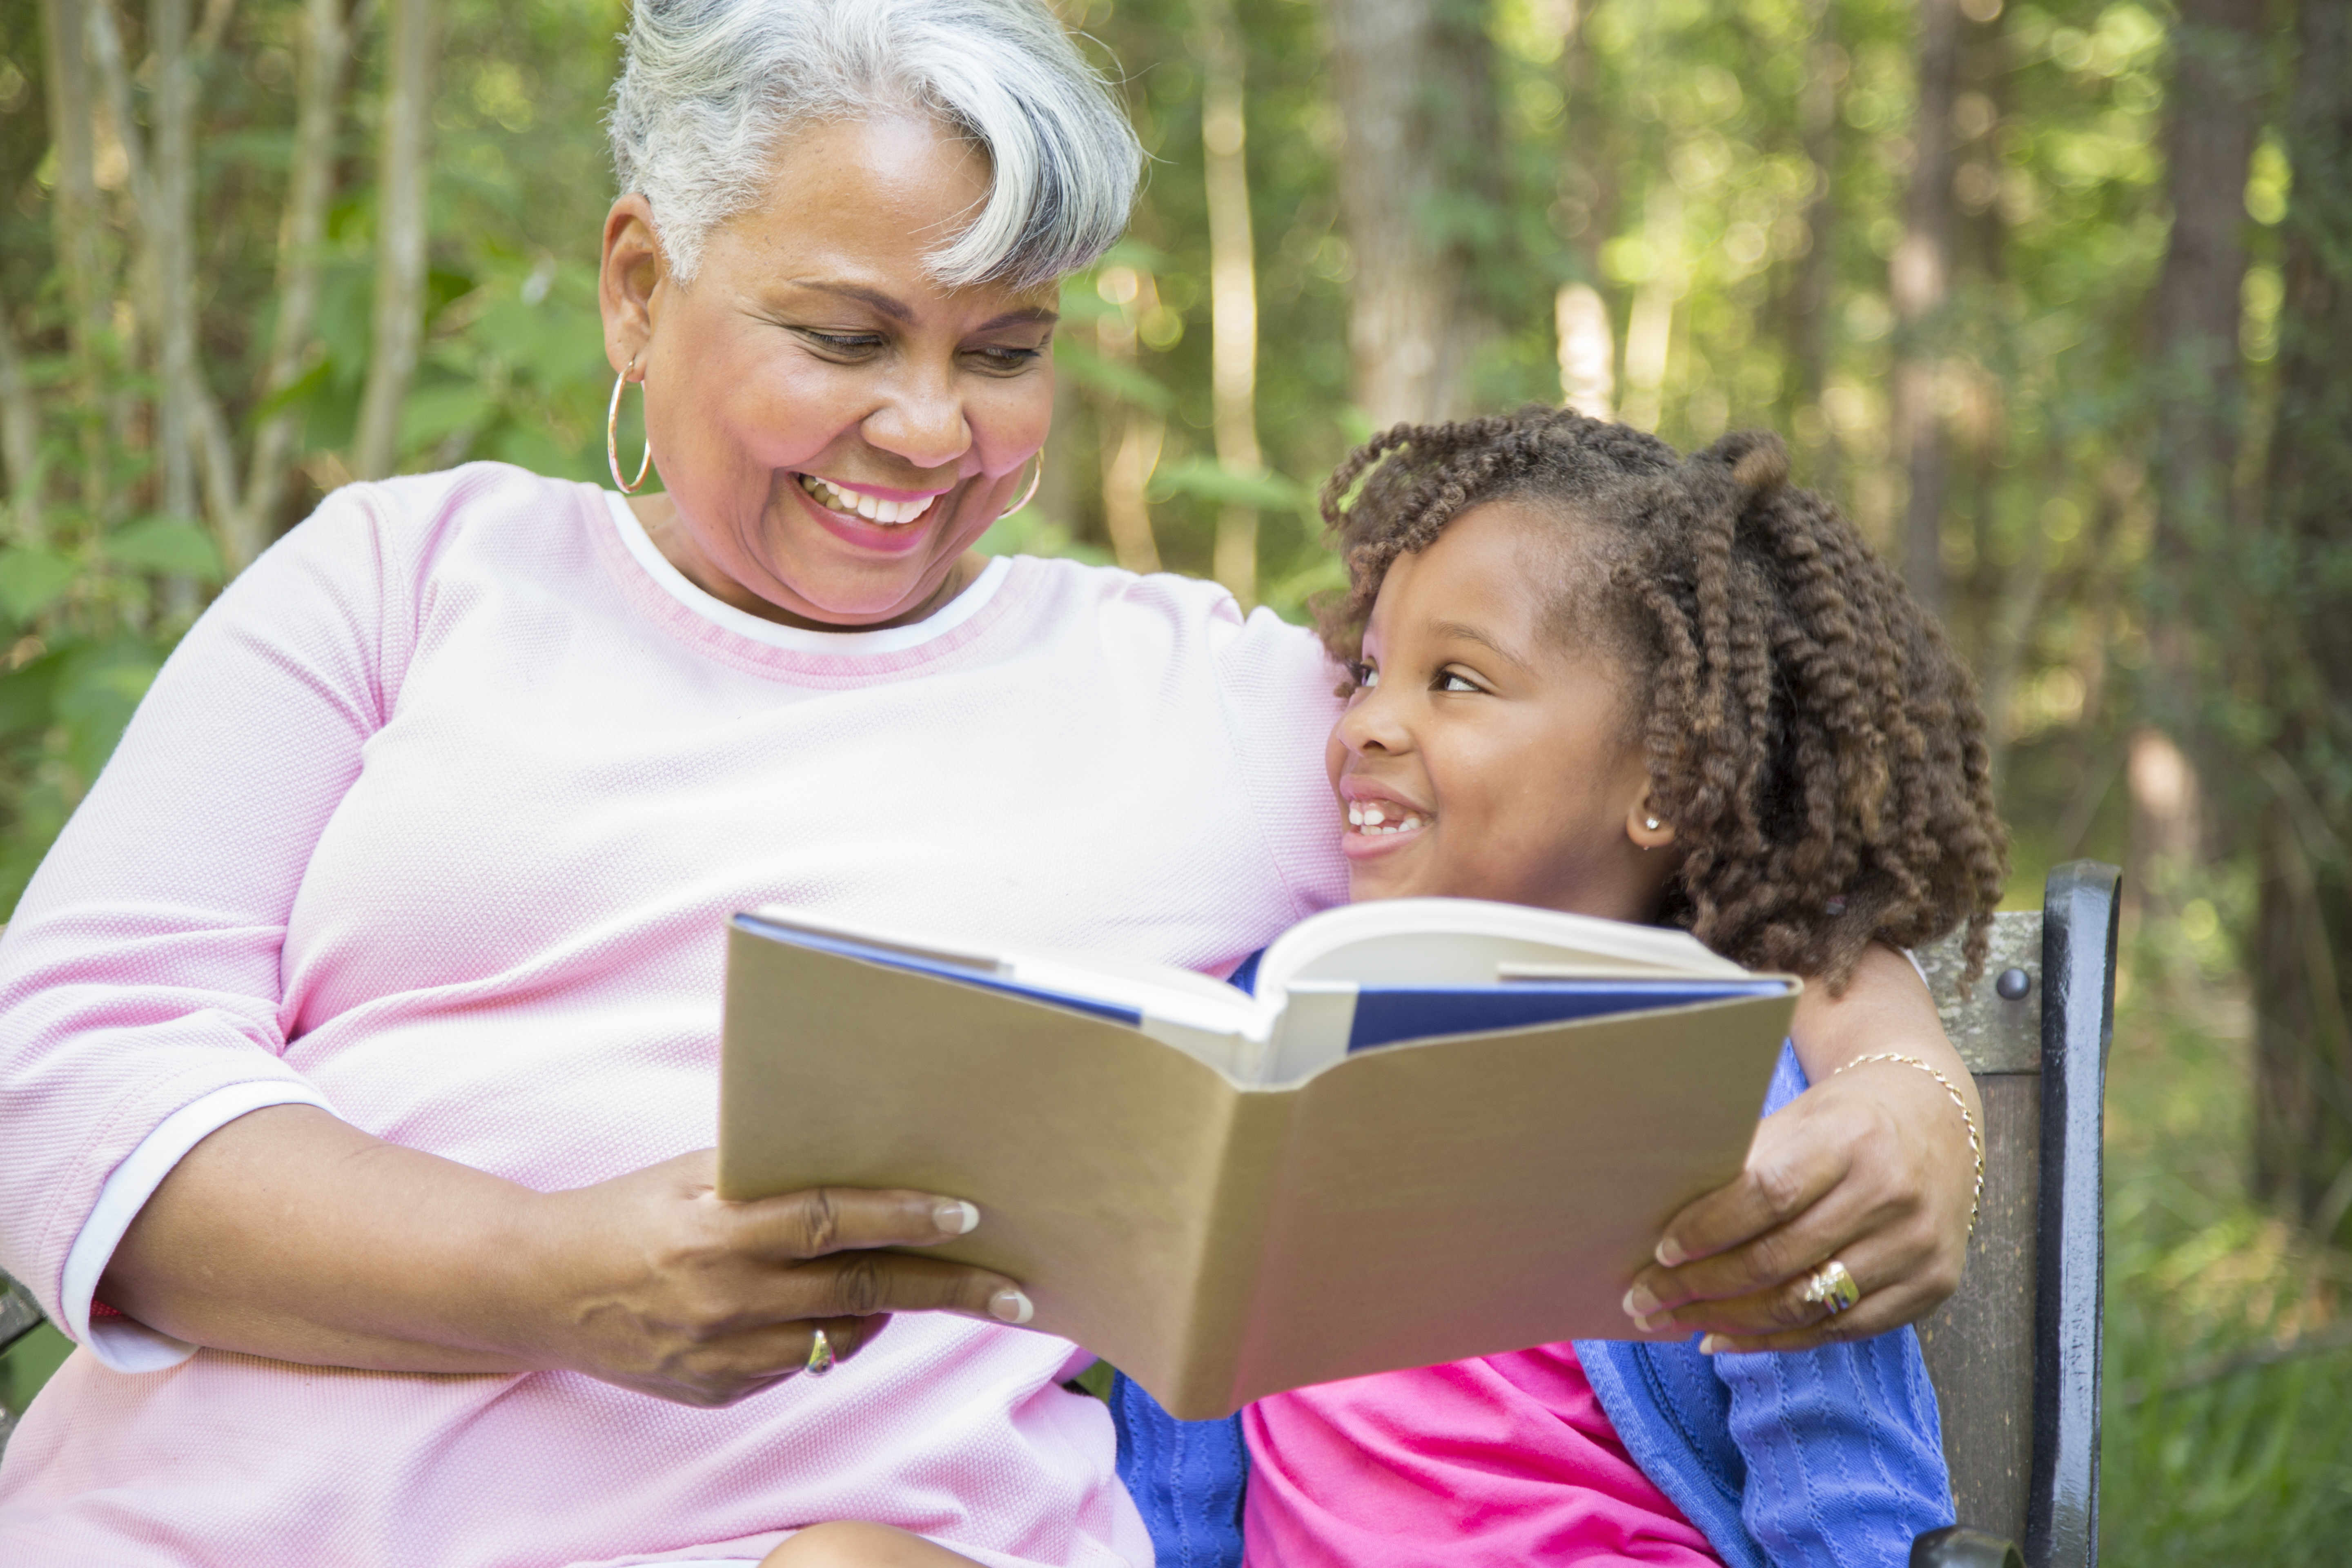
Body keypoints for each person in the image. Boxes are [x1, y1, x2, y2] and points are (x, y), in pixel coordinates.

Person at [0, 3, 1978, 1564]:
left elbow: (1694, 832)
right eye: (843, 334)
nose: (931, 429)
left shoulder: (1201, 700)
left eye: (1007, 347)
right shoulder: (409, 573)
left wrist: (1910, 1103)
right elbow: (69, 1070)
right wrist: (553, 1281)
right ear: (636, 282)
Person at [1113, 408, 2006, 1568]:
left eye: (1458, 681)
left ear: (1667, 780)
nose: (1369, 723)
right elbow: (1181, 1450)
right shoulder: (1270, 1029)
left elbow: (1842, 1492)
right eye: (1370, 672)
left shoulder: (1724, 1092)